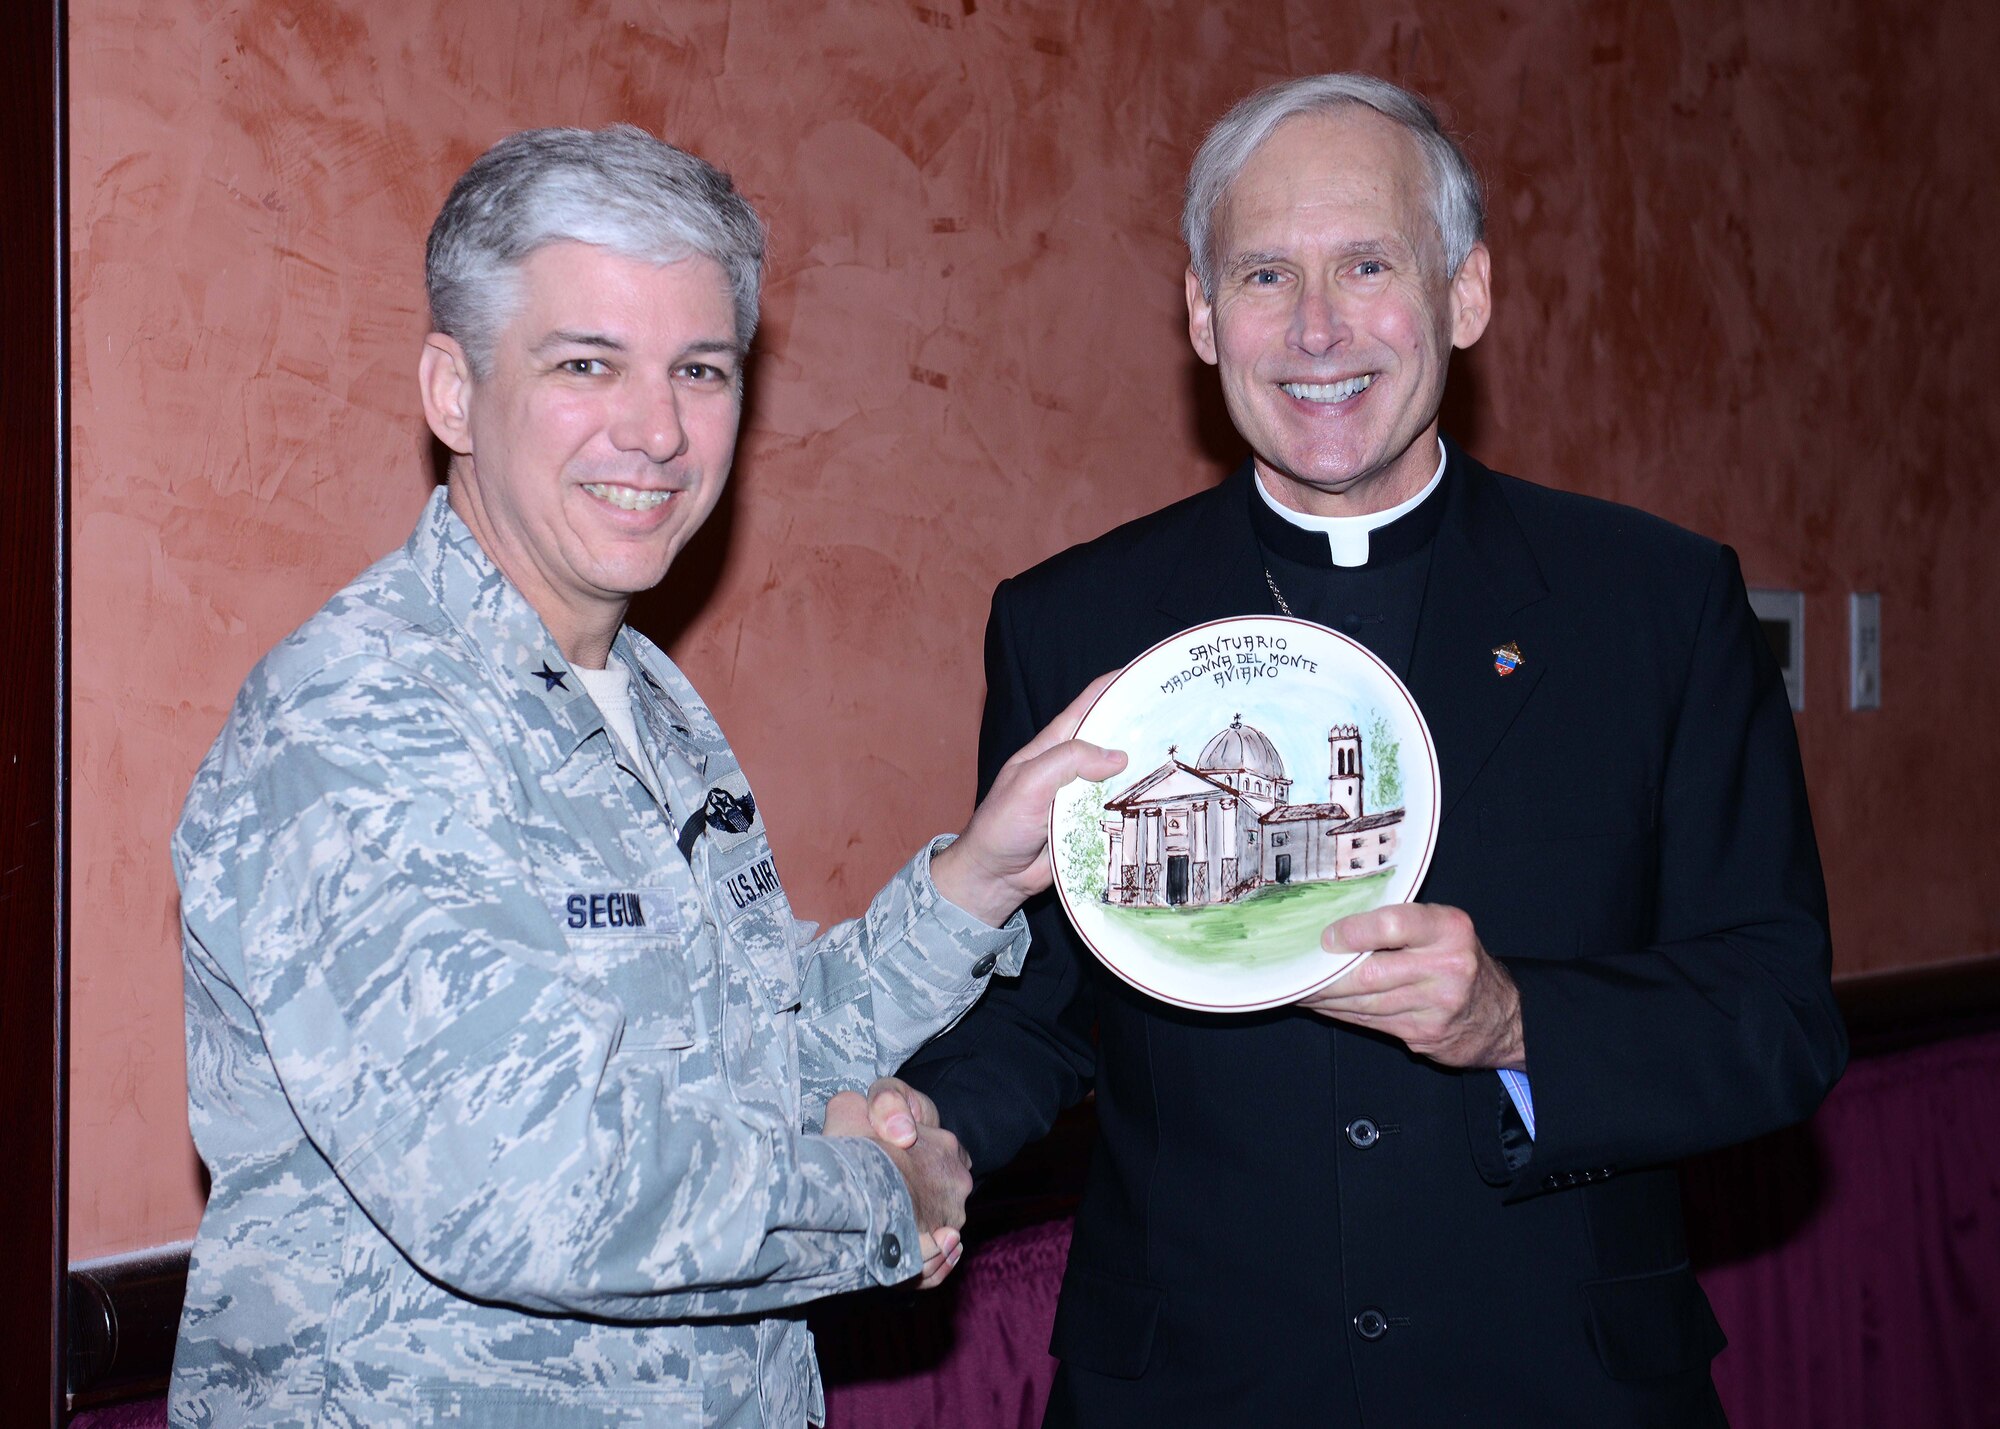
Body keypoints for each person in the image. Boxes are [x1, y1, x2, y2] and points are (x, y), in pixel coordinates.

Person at [886, 73, 1848, 1425]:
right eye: (1265, 274)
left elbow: (1779, 1018)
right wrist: (933, 1129)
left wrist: (1519, 1023)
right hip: (1194, 1386)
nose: (1316, 327)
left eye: (1368, 264)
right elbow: (1044, 1006)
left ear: (1466, 295)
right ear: (1202, 318)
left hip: (1557, 1380)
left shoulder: (1657, 604)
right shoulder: (1072, 623)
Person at [170, 125, 1122, 1428]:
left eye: (700, 369)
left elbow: (759, 1046)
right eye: (586, 364)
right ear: (453, 392)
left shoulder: (650, 699)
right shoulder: (355, 720)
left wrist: (975, 879)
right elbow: (527, 1189)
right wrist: (883, 1202)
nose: (659, 429)